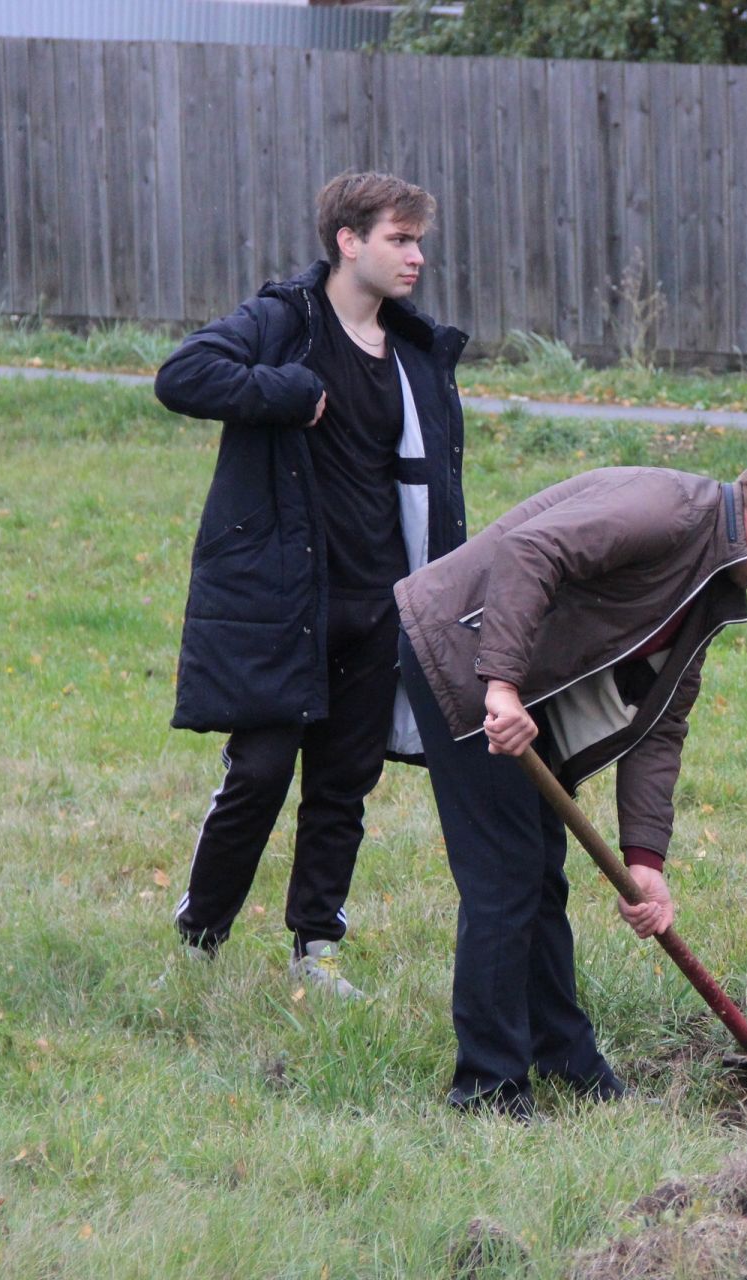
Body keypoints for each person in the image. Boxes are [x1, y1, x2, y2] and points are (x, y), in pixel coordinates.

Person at [394, 451, 747, 1117]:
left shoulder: (709, 584)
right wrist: (501, 686)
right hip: (466, 651)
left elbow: (660, 727)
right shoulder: (664, 512)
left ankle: (565, 1057)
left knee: (539, 873)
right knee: (505, 877)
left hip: (520, 678)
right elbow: (528, 553)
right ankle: (489, 1087)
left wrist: (646, 862)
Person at [153, 172, 469, 997]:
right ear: (348, 241)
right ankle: (199, 938)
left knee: (343, 784)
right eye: (400, 239)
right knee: (258, 773)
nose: (417, 257)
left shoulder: (414, 354)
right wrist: (285, 393)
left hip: (380, 604)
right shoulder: (284, 325)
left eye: (418, 240)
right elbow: (182, 376)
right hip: (286, 604)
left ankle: (316, 949)